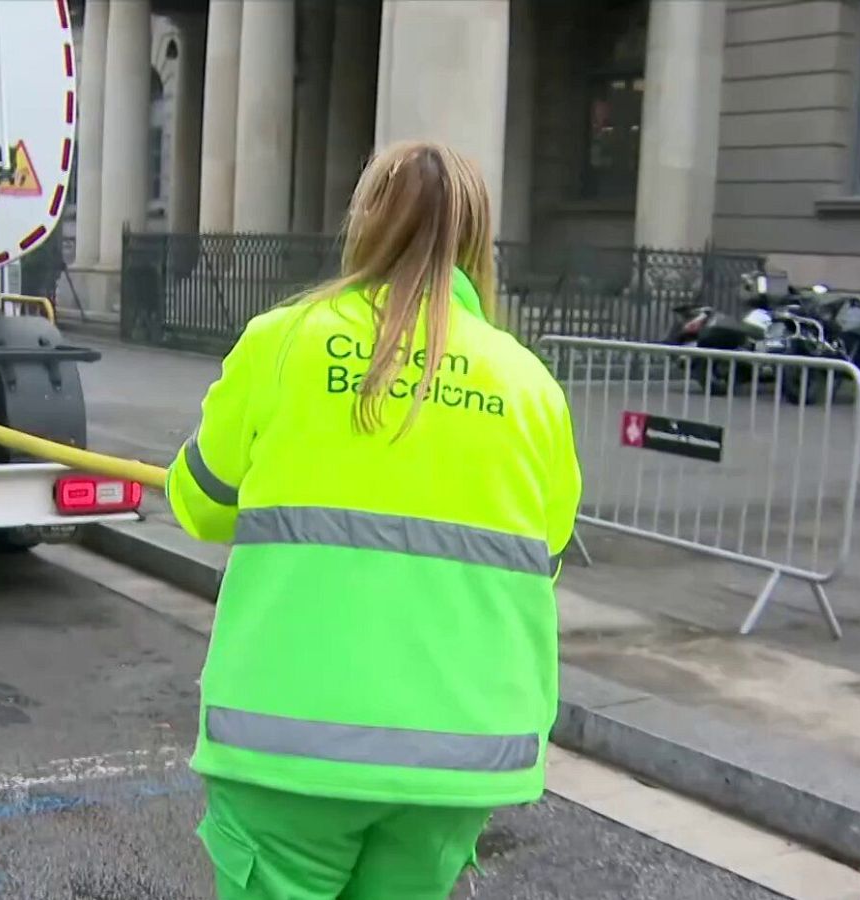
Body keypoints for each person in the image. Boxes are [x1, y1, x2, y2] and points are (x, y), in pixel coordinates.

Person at [167, 141, 582, 900]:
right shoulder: (531, 386)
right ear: (477, 239)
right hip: (458, 755)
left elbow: (199, 505)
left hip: (290, 745)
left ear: (366, 221)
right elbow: (542, 554)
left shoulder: (283, 341)